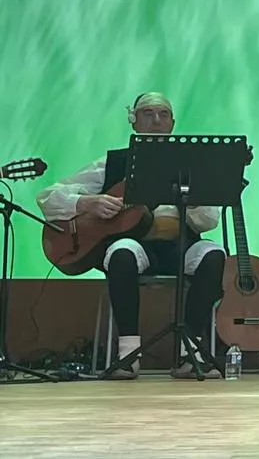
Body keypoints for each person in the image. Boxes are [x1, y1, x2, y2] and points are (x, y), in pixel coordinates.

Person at [38, 92, 225, 378]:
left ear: (173, 123)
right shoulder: (112, 163)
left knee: (214, 255)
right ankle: (127, 355)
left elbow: (209, 219)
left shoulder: (190, 165)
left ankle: (191, 352)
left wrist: (187, 201)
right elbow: (48, 197)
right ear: (134, 121)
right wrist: (88, 203)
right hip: (137, 247)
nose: (157, 120)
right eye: (148, 114)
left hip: (180, 246)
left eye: (163, 115)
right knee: (121, 252)